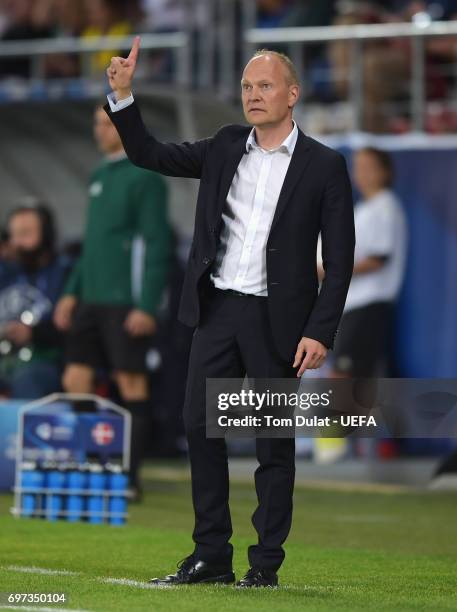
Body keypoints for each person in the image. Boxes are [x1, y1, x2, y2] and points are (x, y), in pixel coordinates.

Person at [105, 37, 355, 588]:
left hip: (280, 323)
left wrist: (322, 330)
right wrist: (122, 96)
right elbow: (150, 154)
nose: (253, 94)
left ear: (291, 94)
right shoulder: (224, 144)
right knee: (199, 425)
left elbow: (339, 260)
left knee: (272, 444)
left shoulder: (325, 166)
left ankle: (264, 564)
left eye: (265, 85)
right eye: (246, 86)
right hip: (217, 309)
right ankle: (210, 556)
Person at [54, 102, 171, 497]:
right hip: (92, 297)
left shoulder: (146, 177)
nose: (100, 131)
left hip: (126, 300)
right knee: (76, 379)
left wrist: (147, 304)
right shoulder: (99, 174)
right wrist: (71, 293)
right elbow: (92, 246)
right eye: (97, 124)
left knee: (131, 383)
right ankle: (93, 466)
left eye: (108, 124)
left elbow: (158, 245)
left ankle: (129, 478)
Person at [320, 147, 407, 378]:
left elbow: (378, 259)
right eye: (357, 168)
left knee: (342, 378)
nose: (361, 174)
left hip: (369, 305)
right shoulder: (362, 210)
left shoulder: (385, 206)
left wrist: (329, 272)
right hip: (351, 305)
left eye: (368, 167)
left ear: (385, 172)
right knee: (360, 380)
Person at [0, 202, 71, 398]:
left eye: (26, 233)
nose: (17, 242)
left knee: (29, 378)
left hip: (45, 360)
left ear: (46, 235)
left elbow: (73, 329)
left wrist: (33, 333)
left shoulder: (64, 272)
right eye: (13, 235)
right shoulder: (5, 272)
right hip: (6, 359)